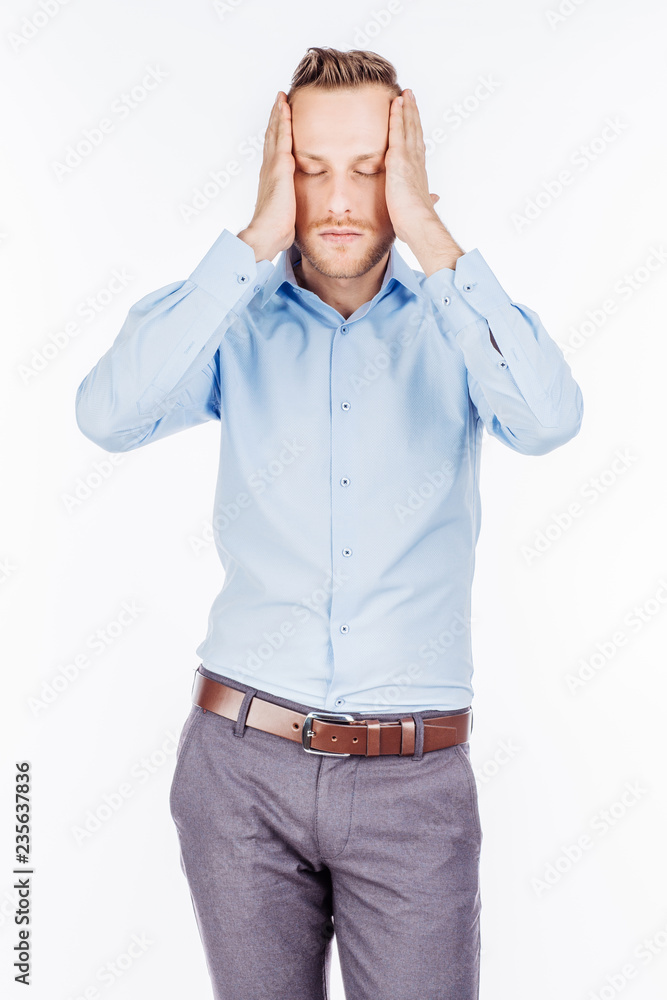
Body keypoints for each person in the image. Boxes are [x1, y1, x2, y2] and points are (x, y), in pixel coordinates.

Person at [75, 45, 583, 1000]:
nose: (341, 198)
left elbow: (548, 420)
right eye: (311, 169)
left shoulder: (457, 322)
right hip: (239, 774)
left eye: (371, 168)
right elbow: (108, 415)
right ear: (278, 172)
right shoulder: (233, 317)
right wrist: (251, 241)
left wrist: (428, 229)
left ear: (409, 171)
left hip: (414, 783)